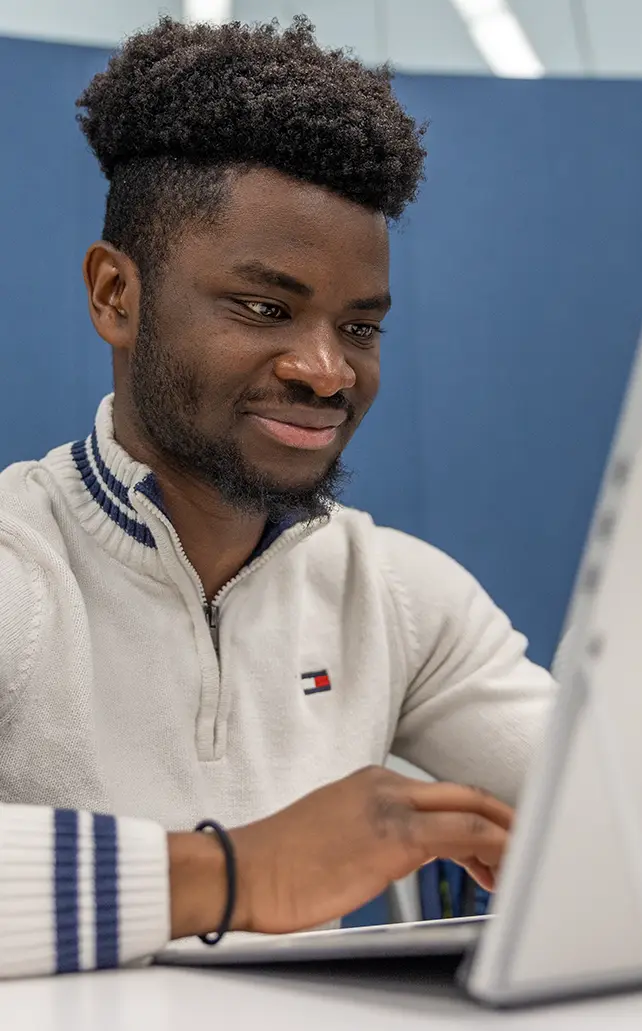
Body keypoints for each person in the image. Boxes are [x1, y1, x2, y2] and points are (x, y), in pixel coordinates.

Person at [0, 16, 556, 979]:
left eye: (360, 327)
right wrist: (229, 874)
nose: (324, 369)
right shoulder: (18, 570)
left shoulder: (400, 596)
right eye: (264, 309)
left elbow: (627, 813)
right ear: (115, 296)